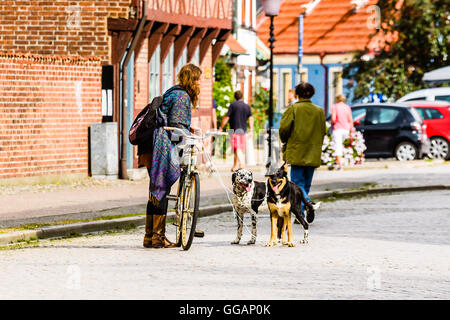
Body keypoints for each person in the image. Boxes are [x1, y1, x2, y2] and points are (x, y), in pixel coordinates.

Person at [138, 63, 202, 248]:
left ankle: (149, 236)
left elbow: (170, 119)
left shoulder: (172, 92)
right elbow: (176, 127)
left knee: (155, 191)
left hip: (149, 145)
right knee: (162, 189)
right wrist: (191, 138)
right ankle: (158, 238)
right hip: (160, 147)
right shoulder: (183, 97)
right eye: (198, 80)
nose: (200, 84)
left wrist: (189, 128)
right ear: (192, 80)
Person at [279, 82, 326, 219]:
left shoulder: (293, 109)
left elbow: (284, 129)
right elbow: (324, 130)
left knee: (297, 183)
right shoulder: (319, 111)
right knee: (306, 183)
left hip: (296, 149)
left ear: (296, 94)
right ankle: (303, 210)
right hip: (313, 150)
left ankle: (306, 206)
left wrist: (285, 140)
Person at [219, 90, 254, 172]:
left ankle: (242, 164)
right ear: (242, 97)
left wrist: (221, 127)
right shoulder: (246, 106)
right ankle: (234, 166)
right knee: (238, 149)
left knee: (237, 148)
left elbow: (227, 117)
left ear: (235, 97)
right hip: (243, 131)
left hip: (235, 130)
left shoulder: (233, 105)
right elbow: (251, 118)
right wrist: (251, 129)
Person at [330, 94, 354, 171]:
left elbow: (333, 119)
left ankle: (340, 165)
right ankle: (337, 161)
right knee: (341, 145)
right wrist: (351, 130)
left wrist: (331, 123)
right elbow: (350, 120)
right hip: (346, 129)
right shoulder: (347, 107)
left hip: (338, 128)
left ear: (336, 99)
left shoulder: (334, 107)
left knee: (338, 146)